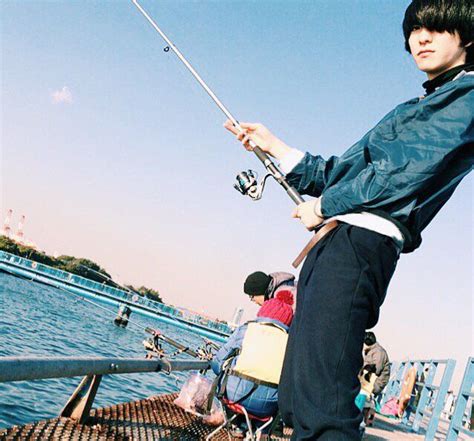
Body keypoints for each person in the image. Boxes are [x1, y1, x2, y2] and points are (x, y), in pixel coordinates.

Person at [224, 1, 473, 438]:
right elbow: (342, 173)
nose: (422, 38)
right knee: (298, 395)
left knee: (325, 405)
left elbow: (402, 174)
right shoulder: (418, 105)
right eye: (415, 29)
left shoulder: (468, 98)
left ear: (468, 37)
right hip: (336, 243)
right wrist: (274, 145)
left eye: (436, 28)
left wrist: (323, 207)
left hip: (360, 247)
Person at [211, 289, 294, 418]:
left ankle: (235, 424)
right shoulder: (291, 343)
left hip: (233, 397)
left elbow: (217, 363)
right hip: (267, 409)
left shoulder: (246, 329)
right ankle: (260, 433)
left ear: (263, 313)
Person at [362, 332, 390, 397]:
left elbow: (376, 371)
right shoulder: (371, 350)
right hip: (369, 380)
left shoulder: (378, 352)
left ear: (366, 343)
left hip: (376, 383)